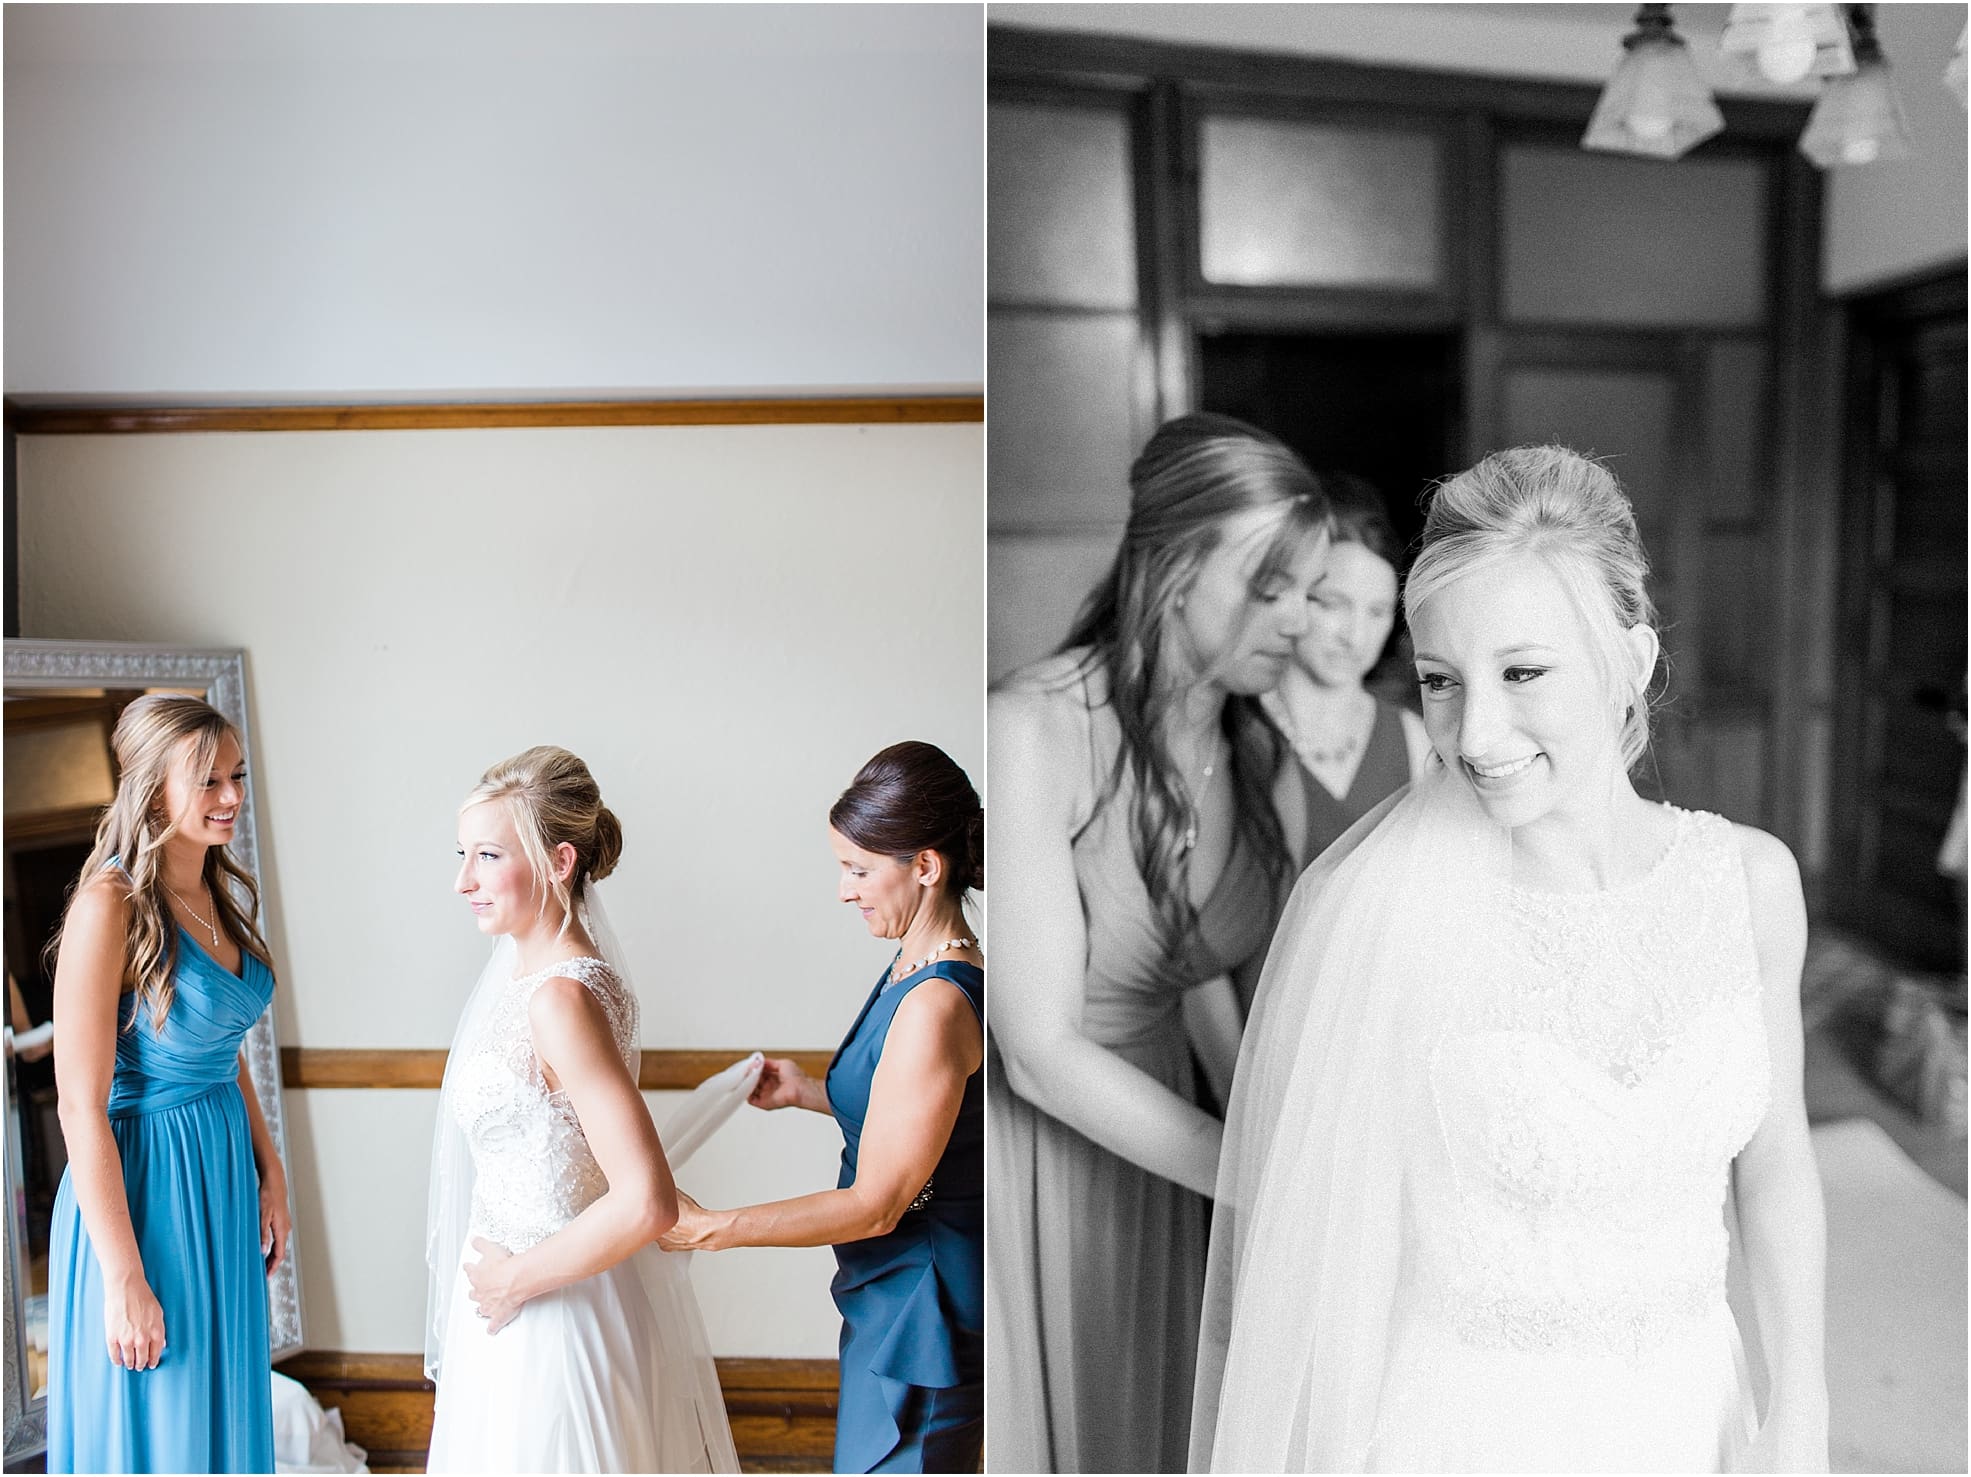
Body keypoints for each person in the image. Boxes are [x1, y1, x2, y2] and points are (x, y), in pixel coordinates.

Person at [1192, 446, 1827, 1473]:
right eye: (1440, 682)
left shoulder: (1749, 883)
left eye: (1523, 671)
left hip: (1690, 1405)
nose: (1475, 733)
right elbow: (1334, 1247)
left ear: (1634, 659)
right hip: (1466, 1425)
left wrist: (1800, 1405)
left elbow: (1779, 1160)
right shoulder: (1386, 913)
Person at [988, 413, 1332, 1473]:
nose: (1299, 623)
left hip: (1178, 1136)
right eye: (1268, 586)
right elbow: (1039, 1050)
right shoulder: (1031, 728)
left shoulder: (1259, 750)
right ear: (1174, 565)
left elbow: (1199, 984)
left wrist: (1284, 1145)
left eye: (1309, 592)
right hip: (1050, 1153)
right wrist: (1256, 1177)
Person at [659, 741, 985, 1474]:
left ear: (926, 866)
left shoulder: (935, 1002)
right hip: (892, 1292)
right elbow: (918, 1114)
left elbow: (876, 1204)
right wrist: (808, 1091)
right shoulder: (912, 960)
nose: (844, 889)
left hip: (923, 1310)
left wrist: (712, 1228)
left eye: (859, 868)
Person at [424, 746, 738, 1473]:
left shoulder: (561, 998)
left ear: (559, 861)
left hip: (552, 1317)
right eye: (463, 853)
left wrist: (515, 1278)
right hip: (514, 1311)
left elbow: (646, 1201)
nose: (462, 880)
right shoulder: (533, 977)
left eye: (487, 855)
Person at [45, 693, 289, 1473]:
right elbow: (79, 1103)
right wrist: (122, 1275)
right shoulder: (107, 905)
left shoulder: (216, 889)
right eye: (210, 780)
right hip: (144, 1187)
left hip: (219, 1174)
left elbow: (225, 1045)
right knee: (164, 1413)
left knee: (222, 1398)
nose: (232, 797)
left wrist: (270, 1166)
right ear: (153, 789)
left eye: (237, 776)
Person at [1260, 473, 1432, 877]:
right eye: (1333, 604)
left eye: (1376, 612)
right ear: (1294, 595)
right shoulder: (1236, 729)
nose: (1355, 636)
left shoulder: (1417, 741)